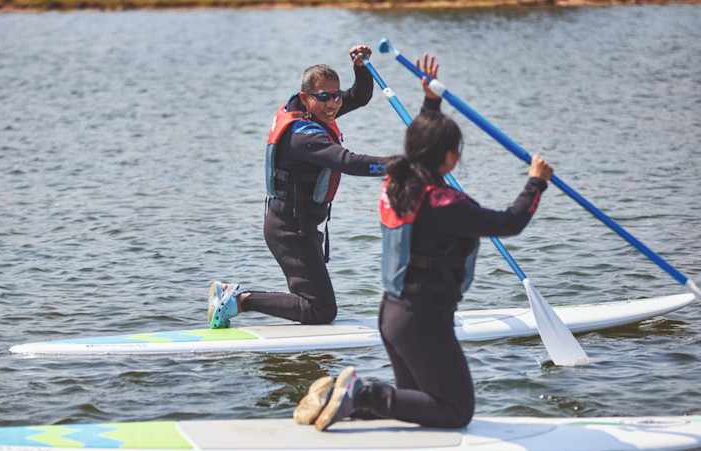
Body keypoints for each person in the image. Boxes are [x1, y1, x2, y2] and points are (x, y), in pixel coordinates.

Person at [294, 54, 555, 431]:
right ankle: (360, 394)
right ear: (450, 158)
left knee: (423, 407)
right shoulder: (446, 203)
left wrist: (431, 102)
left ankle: (336, 402)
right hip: (423, 319)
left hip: (392, 312)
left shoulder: (396, 179)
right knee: (455, 411)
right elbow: (511, 222)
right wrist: (536, 181)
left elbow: (418, 144)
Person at [207, 45, 390, 329]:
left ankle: (291, 351)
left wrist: (361, 67)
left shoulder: (318, 113)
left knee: (314, 303)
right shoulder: (301, 135)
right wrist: (399, 166)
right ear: (305, 98)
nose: (333, 104)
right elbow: (348, 162)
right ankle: (239, 299)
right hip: (289, 230)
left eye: (336, 96)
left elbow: (361, 96)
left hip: (301, 225)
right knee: (321, 310)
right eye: (324, 97)